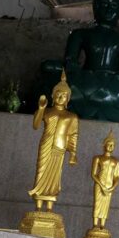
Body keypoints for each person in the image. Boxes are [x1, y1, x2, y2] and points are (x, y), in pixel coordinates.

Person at [28, 74, 79, 211]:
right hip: (45, 145)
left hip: (60, 147)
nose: (60, 97)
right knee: (40, 172)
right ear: (53, 95)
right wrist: (41, 108)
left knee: (55, 177)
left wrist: (73, 153)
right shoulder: (47, 111)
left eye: (63, 95)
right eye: (57, 94)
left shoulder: (71, 116)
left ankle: (50, 207)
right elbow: (35, 125)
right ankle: (38, 206)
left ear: (68, 98)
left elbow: (73, 135)